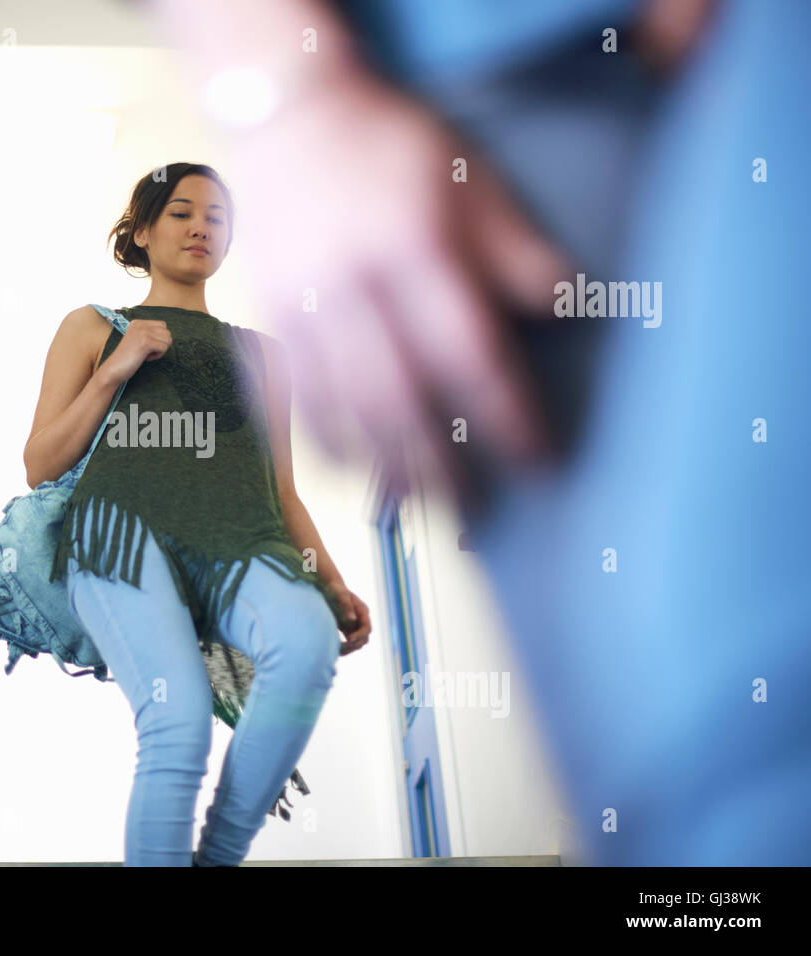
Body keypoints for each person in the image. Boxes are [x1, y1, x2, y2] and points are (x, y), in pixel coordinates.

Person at [137, 0, 811, 864]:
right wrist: (285, 93)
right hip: (528, 73)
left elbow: (269, 487)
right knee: (728, 776)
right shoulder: (114, 344)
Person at [23, 164, 372, 866]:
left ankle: (218, 856)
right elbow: (41, 463)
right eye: (181, 212)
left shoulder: (265, 355)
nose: (200, 226)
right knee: (178, 722)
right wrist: (117, 368)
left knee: (305, 648)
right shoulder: (95, 327)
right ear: (143, 233)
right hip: (121, 537)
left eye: (217, 216)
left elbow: (282, 490)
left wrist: (330, 584)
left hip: (244, 540)